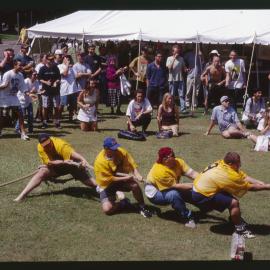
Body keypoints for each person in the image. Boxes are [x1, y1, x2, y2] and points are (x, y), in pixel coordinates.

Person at [192, 152, 270, 238]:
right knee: (234, 203)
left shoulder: (221, 163)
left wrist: (260, 183)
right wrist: (266, 187)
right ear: (230, 164)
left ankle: (234, 220)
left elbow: (242, 176)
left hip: (200, 187)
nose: (240, 165)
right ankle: (240, 229)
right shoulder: (228, 175)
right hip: (201, 195)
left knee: (228, 195)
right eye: (238, 163)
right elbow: (248, 187)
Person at [14, 133, 96, 202]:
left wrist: (83, 160)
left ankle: (107, 188)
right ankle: (22, 196)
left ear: (51, 140)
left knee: (93, 184)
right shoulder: (40, 147)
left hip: (73, 165)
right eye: (45, 146)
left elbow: (73, 153)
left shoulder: (60, 145)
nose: (47, 147)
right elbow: (49, 162)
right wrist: (60, 162)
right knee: (42, 172)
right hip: (58, 167)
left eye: (48, 144)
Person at [94, 137, 152, 217]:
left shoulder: (120, 151)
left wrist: (137, 173)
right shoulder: (100, 161)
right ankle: (123, 203)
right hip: (107, 185)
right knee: (107, 209)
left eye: (116, 147)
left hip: (120, 181)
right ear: (106, 148)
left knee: (134, 186)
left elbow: (131, 163)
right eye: (113, 149)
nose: (116, 150)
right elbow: (110, 179)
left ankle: (142, 206)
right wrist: (126, 178)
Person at [145, 147, 199, 228]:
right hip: (155, 194)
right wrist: (196, 185)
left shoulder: (178, 161)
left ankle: (203, 205)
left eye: (174, 154)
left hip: (170, 186)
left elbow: (192, 173)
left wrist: (203, 180)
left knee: (189, 191)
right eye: (172, 156)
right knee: (174, 194)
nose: (174, 157)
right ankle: (187, 217)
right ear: (165, 159)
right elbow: (176, 186)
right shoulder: (159, 171)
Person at [0, 60, 29, 140]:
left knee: (21, 114)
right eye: (19, 65)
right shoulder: (8, 74)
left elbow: (22, 86)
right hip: (4, 97)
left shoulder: (20, 75)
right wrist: (4, 86)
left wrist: (28, 93)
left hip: (14, 97)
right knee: (3, 117)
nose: (21, 67)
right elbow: (2, 86)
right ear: (14, 65)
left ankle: (23, 133)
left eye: (22, 65)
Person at [38, 53, 61, 129]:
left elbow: (59, 78)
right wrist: (46, 82)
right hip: (46, 91)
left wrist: (56, 82)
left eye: (52, 59)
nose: (51, 61)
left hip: (55, 90)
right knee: (45, 107)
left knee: (56, 107)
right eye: (50, 59)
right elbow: (39, 78)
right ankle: (44, 122)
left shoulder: (55, 67)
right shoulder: (42, 68)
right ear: (46, 60)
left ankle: (57, 122)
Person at [15, 70, 39, 134]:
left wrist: (39, 92)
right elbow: (24, 91)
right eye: (34, 74)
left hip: (29, 101)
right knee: (22, 115)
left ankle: (30, 130)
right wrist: (31, 93)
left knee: (31, 115)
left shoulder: (36, 82)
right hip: (21, 100)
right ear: (30, 75)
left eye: (37, 74)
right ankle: (17, 129)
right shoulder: (25, 81)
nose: (36, 76)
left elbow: (35, 91)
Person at [58, 54, 80, 122]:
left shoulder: (72, 67)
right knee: (62, 105)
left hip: (73, 89)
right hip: (64, 89)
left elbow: (76, 76)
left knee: (72, 105)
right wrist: (67, 65)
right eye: (66, 58)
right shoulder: (59, 66)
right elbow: (65, 74)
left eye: (69, 58)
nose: (68, 59)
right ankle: (58, 118)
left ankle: (71, 118)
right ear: (63, 59)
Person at [166, 44, 187, 113]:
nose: (177, 52)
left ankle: (183, 109)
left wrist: (186, 69)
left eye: (178, 51)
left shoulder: (181, 58)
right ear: (173, 52)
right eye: (176, 51)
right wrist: (174, 58)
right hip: (172, 79)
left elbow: (184, 67)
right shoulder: (169, 58)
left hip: (180, 79)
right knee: (171, 95)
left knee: (181, 94)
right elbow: (169, 68)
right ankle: (170, 107)